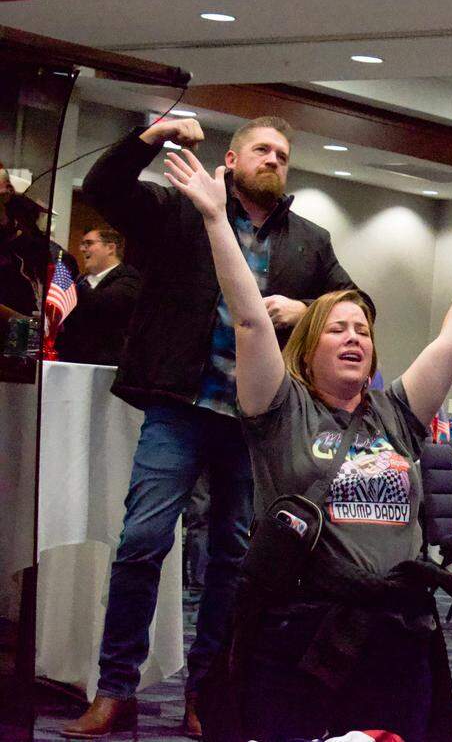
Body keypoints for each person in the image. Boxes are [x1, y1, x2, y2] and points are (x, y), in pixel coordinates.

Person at [164, 148, 452, 740]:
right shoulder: (279, 409)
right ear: (308, 346)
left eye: (362, 331)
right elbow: (249, 320)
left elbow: (451, 343)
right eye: (337, 329)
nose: (353, 339)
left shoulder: (394, 412)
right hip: (300, 635)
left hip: (397, 633)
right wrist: (218, 220)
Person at [63, 116, 366, 739]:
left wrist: (309, 309)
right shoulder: (182, 211)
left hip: (253, 423)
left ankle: (208, 691)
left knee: (234, 559)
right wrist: (152, 135)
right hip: (180, 404)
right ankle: (116, 689)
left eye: (283, 154)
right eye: (263, 149)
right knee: (143, 542)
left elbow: (358, 306)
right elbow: (103, 186)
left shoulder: (308, 240)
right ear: (231, 158)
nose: (274, 160)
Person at [57, 228, 141, 366]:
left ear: (110, 248)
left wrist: (69, 288)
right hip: (71, 361)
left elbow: (107, 304)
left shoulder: (129, 279)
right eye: (82, 244)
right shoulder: (80, 280)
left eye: (89, 243)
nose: (82, 249)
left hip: (105, 365)